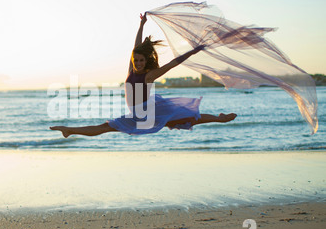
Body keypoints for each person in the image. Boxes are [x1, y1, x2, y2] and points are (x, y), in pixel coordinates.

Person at [50, 13, 236, 138]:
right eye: (136, 60)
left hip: (146, 114)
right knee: (107, 127)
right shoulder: (131, 70)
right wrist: (141, 25)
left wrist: (192, 52)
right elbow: (136, 46)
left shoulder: (149, 75)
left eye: (141, 61)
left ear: (146, 61)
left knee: (186, 117)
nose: (138, 63)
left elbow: (173, 63)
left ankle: (219, 118)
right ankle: (69, 130)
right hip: (139, 113)